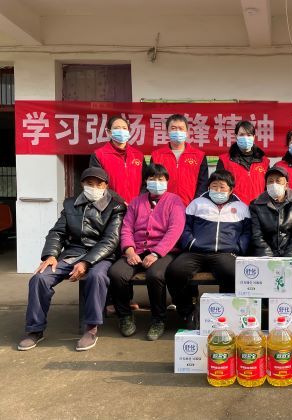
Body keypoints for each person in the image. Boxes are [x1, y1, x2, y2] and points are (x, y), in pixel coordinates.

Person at [18, 168, 126, 352]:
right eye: (89, 183)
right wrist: (51, 255)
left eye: (99, 184)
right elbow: (57, 232)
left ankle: (91, 328)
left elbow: (110, 240)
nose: (94, 187)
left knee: (97, 277)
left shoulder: (116, 207)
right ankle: (35, 329)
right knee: (39, 278)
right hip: (73, 253)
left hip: (101, 255)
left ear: (106, 186)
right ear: (82, 184)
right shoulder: (70, 204)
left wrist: (86, 262)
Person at [108, 164, 185, 341]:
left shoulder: (175, 201)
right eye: (152, 178)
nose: (156, 182)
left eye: (160, 179)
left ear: (167, 181)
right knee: (116, 273)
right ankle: (125, 316)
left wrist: (156, 253)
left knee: (155, 275)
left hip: (164, 251)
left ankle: (158, 319)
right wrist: (129, 250)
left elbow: (175, 230)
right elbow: (126, 228)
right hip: (136, 249)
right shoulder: (136, 202)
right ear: (146, 181)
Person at [166, 169, 252, 327]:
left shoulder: (241, 207)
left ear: (231, 189)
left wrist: (238, 248)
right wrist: (191, 244)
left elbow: (247, 232)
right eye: (214, 186)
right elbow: (184, 228)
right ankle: (187, 311)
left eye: (222, 187)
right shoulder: (197, 204)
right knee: (175, 272)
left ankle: (223, 313)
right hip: (195, 252)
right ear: (208, 187)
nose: (218, 190)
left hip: (225, 253)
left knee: (234, 274)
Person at [249, 166, 292, 292]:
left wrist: (287, 260)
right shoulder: (256, 204)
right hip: (266, 257)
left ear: (286, 184)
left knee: (287, 284)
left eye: (278, 181)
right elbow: (257, 235)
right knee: (266, 286)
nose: (274, 184)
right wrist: (270, 261)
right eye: (270, 181)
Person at [150, 113, 209, 206]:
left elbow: (203, 184)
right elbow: (151, 182)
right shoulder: (156, 155)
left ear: (187, 132)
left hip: (190, 207)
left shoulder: (199, 156)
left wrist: (195, 204)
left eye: (181, 128)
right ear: (167, 132)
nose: (177, 131)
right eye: (173, 128)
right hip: (162, 207)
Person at [90, 115, 145, 204]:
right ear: (109, 132)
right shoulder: (99, 155)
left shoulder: (138, 155)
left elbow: (145, 182)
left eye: (124, 128)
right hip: (110, 206)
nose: (121, 131)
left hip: (136, 207)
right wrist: (119, 201)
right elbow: (97, 184)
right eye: (117, 128)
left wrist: (139, 201)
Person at [216, 120, 270, 205]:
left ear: (254, 137)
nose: (245, 138)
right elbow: (219, 187)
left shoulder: (264, 162)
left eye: (249, 135)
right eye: (241, 135)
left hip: (258, 209)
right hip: (233, 209)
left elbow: (268, 189)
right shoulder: (225, 160)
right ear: (236, 136)